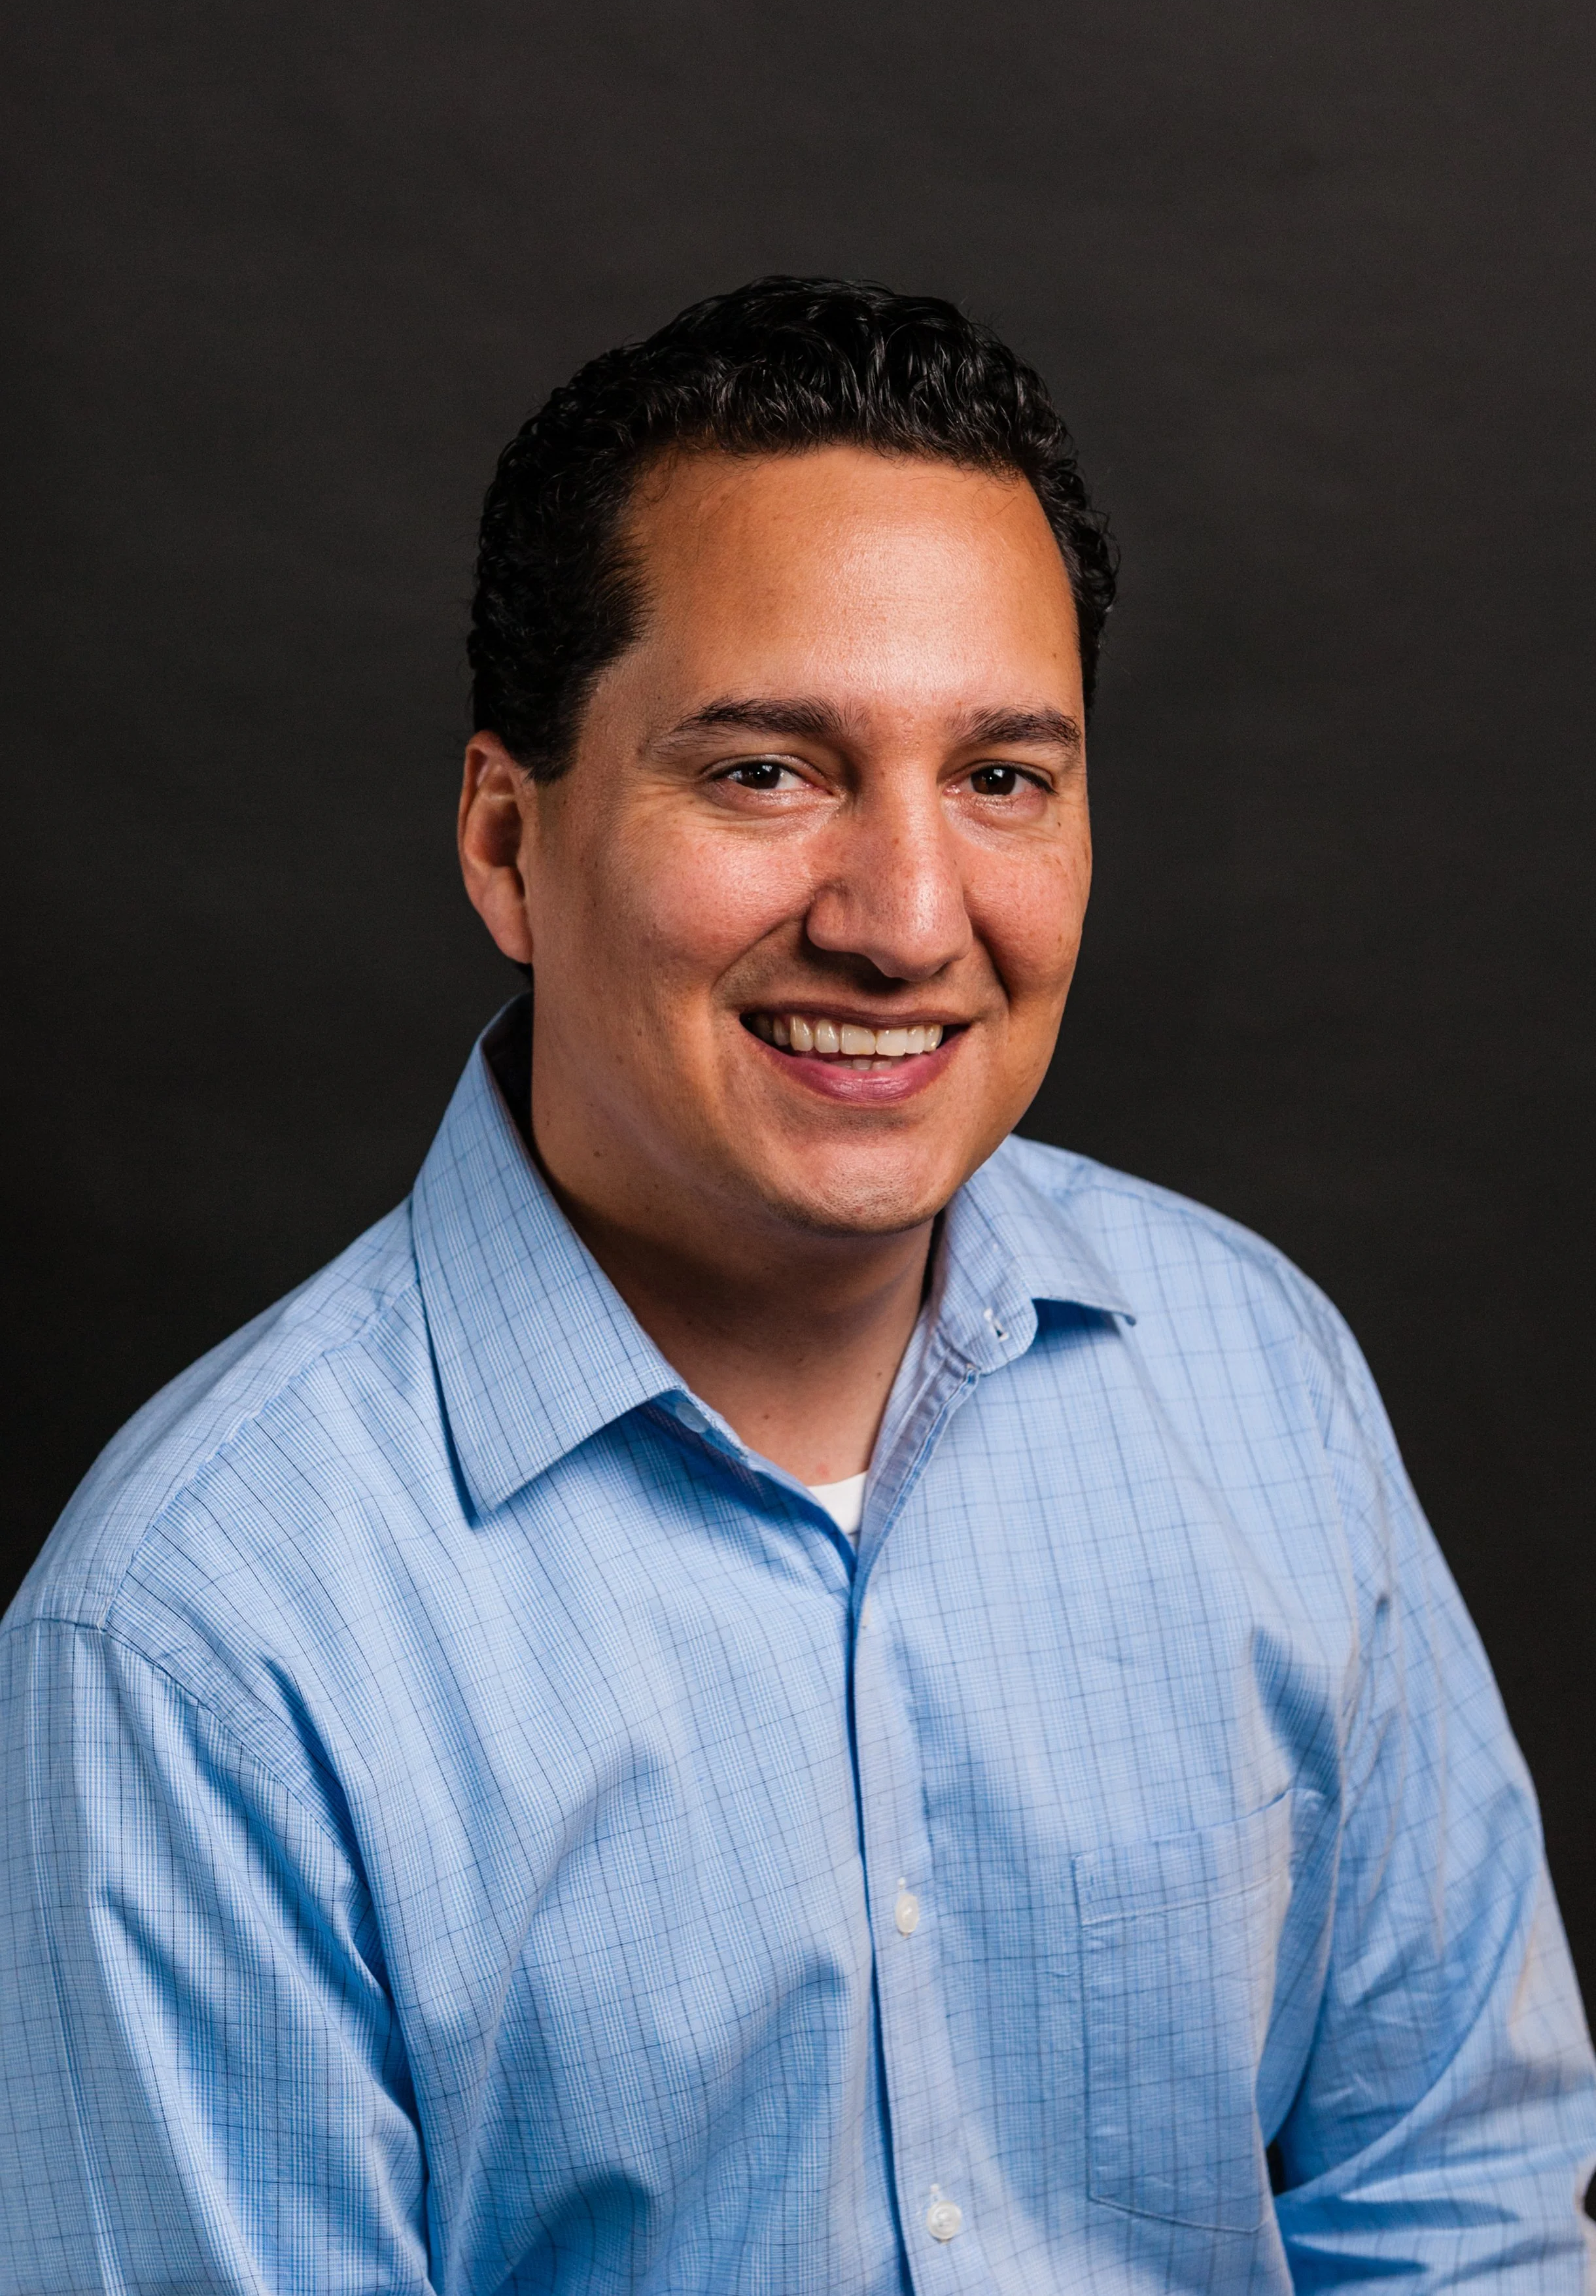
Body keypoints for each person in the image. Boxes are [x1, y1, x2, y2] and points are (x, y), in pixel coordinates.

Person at [1, 277, 1591, 2296]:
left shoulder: (1254, 1373)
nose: (908, 921)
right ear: (508, 839)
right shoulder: (199, 1641)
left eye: (1001, 777)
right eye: (770, 772)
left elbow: (1457, 2203)